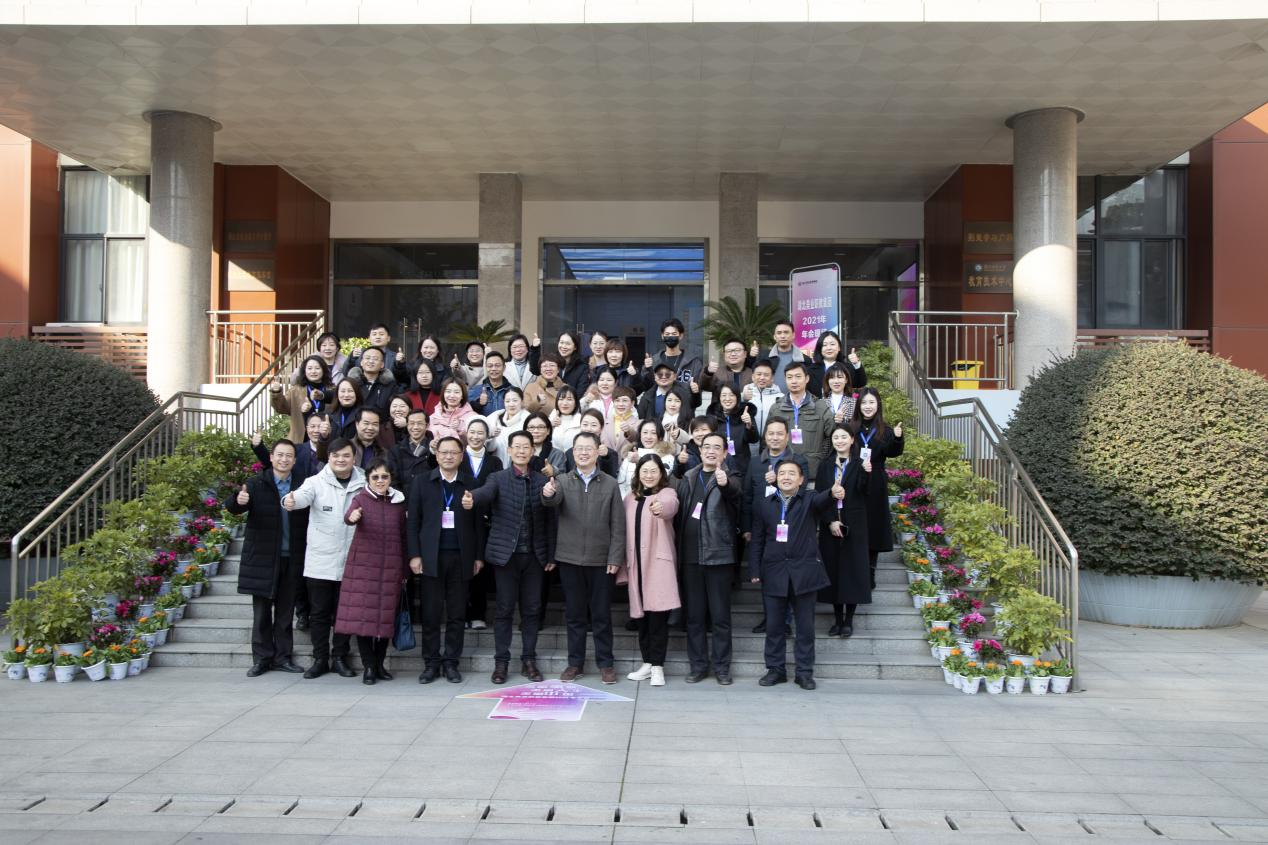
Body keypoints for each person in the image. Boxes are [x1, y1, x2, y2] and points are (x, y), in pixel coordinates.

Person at [465, 430, 557, 684]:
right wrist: (473, 498)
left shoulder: (542, 481)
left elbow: (551, 521)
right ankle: (501, 662)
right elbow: (485, 492)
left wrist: (551, 554)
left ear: (532, 451)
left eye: (526, 447)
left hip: (534, 557)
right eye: (516, 446)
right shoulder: (498, 478)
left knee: (532, 610)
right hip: (506, 556)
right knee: (504, 610)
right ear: (509, 449)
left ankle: (529, 660)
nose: (521, 451)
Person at [540, 431, 627, 684]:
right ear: (573, 452)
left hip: (601, 561)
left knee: (601, 615)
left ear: (597, 451)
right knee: (575, 615)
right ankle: (575, 663)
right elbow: (551, 501)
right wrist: (547, 493)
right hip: (570, 558)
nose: (583, 453)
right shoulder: (562, 480)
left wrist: (615, 557)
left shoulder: (610, 483)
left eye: (588, 448)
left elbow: (618, 525)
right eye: (579, 448)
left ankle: (606, 663)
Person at [749, 458, 835, 690]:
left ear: (801, 479)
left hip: (804, 573)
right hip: (774, 571)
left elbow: (824, 499)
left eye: (791, 473)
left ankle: (804, 672)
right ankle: (775, 670)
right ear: (775, 478)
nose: (786, 477)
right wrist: (755, 569)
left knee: (805, 628)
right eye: (782, 473)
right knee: (774, 626)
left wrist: (833, 493)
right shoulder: (764, 504)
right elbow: (757, 539)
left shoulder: (809, 499)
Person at [284, 438, 366, 679]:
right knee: (319, 613)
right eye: (335, 455)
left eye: (346, 455)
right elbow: (300, 497)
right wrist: (290, 500)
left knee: (345, 612)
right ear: (328, 457)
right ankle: (320, 658)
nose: (341, 460)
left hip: (352, 559)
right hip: (321, 560)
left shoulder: (364, 482)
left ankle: (340, 657)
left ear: (354, 458)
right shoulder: (315, 482)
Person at [227, 438, 310, 677]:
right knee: (262, 612)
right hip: (263, 559)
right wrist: (237, 501)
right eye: (280, 455)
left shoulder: (303, 485)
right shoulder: (256, 483)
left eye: (289, 456)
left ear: (295, 460)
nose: (284, 459)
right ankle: (262, 659)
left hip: (292, 557)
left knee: (285, 612)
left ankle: (283, 657)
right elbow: (234, 506)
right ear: (271, 457)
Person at [407, 437, 479, 684]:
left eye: (453, 453)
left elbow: (479, 524)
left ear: (461, 456)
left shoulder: (470, 483)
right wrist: (415, 554)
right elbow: (413, 522)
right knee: (431, 613)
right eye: (444, 452)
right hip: (431, 557)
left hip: (461, 556)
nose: (448, 456)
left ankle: (451, 662)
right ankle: (431, 663)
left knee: (457, 613)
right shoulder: (421, 482)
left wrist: (478, 556)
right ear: (436, 455)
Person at [334, 459, 407, 685]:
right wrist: (352, 517)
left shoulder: (399, 502)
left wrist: (405, 569)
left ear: (391, 479)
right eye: (375, 477)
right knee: (363, 619)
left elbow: (404, 536)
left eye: (384, 477)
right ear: (368, 480)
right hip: (363, 568)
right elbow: (349, 516)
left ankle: (379, 664)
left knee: (386, 618)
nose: (380, 481)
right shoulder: (361, 499)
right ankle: (369, 666)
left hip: (391, 567)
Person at [675, 432, 741, 685]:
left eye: (717, 448)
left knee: (720, 616)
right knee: (694, 616)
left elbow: (735, 494)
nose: (711, 451)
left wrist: (724, 484)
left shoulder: (730, 476)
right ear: (700, 451)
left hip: (718, 556)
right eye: (707, 447)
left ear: (724, 453)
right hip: (690, 557)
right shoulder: (689, 477)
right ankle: (698, 666)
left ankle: (722, 668)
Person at [741, 418, 809, 634]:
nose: (775, 437)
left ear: (787, 437)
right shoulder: (754, 462)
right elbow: (747, 497)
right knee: (768, 573)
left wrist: (776, 483)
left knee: (787, 575)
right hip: (763, 527)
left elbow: (802, 493)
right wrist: (747, 527)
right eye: (771, 433)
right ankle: (770, 617)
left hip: (791, 527)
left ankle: (785, 620)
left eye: (780, 433)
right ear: (765, 436)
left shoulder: (798, 461)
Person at [623, 454, 681, 687]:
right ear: (638, 474)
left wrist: (660, 508)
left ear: (661, 474)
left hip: (657, 566)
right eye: (644, 471)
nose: (648, 475)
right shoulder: (630, 498)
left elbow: (669, 507)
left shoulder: (666, 494)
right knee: (642, 619)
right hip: (636, 565)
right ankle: (647, 662)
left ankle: (658, 666)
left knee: (657, 619)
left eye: (653, 471)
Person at [816, 423, 872, 638]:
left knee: (852, 572)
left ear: (852, 440)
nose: (839, 441)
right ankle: (837, 620)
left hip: (855, 525)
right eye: (836, 438)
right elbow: (819, 497)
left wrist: (867, 473)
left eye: (843, 437)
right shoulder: (825, 465)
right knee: (834, 572)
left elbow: (865, 492)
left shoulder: (859, 464)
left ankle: (848, 620)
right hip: (831, 525)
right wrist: (830, 521)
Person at [850, 388, 904, 590]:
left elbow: (892, 452)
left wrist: (897, 438)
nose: (868, 406)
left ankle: (870, 571)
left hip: (876, 481)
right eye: (864, 403)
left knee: (873, 526)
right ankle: (856, 569)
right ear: (859, 405)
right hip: (854, 479)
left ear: (878, 405)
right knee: (855, 524)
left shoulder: (885, 429)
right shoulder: (851, 427)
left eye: (871, 402)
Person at [459, 419, 501, 632]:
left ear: (487, 436)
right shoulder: (458, 456)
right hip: (460, 518)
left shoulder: (494, 462)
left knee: (480, 567)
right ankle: (461, 613)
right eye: (472, 432)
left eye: (480, 433)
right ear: (466, 434)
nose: (476, 436)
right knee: (460, 566)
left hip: (485, 521)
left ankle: (477, 614)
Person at [769, 361, 831, 478]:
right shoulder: (776, 408)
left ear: (807, 379)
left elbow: (832, 436)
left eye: (798, 376)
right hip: (783, 474)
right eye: (789, 377)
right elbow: (767, 439)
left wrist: (822, 458)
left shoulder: (820, 407)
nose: (794, 381)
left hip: (813, 472)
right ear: (785, 379)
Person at [271, 355, 332, 443]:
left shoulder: (331, 389)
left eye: (317, 368)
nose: (313, 371)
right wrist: (276, 392)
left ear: (323, 370)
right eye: (309, 368)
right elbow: (281, 408)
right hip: (301, 440)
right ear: (304, 371)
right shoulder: (296, 390)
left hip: (326, 439)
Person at [708, 382, 758, 479]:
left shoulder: (745, 413)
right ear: (719, 398)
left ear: (737, 397)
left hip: (741, 466)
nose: (727, 399)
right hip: (718, 466)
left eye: (731, 395)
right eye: (724, 395)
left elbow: (754, 439)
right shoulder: (712, 416)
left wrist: (749, 425)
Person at [618, 419, 676, 498]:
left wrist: (639, 461)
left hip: (655, 502)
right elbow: (621, 484)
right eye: (645, 432)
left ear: (660, 437)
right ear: (640, 435)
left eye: (653, 433)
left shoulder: (667, 457)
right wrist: (627, 501)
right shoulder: (631, 455)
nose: (648, 437)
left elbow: (662, 477)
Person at [640, 317, 703, 388]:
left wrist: (695, 389)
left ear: (681, 336)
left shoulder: (694, 362)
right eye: (667, 334)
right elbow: (646, 386)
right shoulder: (654, 361)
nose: (670, 336)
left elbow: (700, 386)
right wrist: (647, 369)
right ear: (662, 336)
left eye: (674, 334)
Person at [741, 359, 783, 457]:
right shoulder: (744, 396)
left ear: (772, 378)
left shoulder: (781, 398)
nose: (762, 378)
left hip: (772, 446)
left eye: (766, 375)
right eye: (759, 374)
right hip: (748, 446)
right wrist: (742, 398)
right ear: (753, 376)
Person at [808, 330, 867, 398]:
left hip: (844, 404)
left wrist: (856, 363)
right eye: (825, 345)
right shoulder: (810, 370)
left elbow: (860, 383)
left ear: (839, 347)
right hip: (818, 404)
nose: (829, 348)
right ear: (820, 349)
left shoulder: (847, 367)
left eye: (832, 344)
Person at [637, 362, 695, 430]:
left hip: (679, 434)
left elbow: (689, 415)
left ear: (675, 376)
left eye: (667, 374)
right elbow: (641, 419)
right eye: (660, 375)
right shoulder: (646, 397)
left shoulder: (684, 395)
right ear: (655, 377)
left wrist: (695, 393)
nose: (663, 377)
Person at [563, 409, 619, 477]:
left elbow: (611, 479)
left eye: (594, 425)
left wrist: (606, 457)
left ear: (601, 428)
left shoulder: (610, 454)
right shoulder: (569, 453)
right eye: (585, 424)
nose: (589, 429)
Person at [389, 408, 433, 493]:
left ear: (427, 425)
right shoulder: (396, 450)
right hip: (403, 498)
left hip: (429, 496)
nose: (415, 427)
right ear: (407, 425)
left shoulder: (435, 449)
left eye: (420, 423)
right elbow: (393, 479)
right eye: (412, 423)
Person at [354, 346, 402, 421]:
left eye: (375, 359)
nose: (371, 361)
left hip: (381, 425)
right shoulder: (353, 384)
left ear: (382, 364)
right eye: (367, 358)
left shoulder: (390, 386)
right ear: (361, 362)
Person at [759, 319, 807, 394]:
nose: (782, 336)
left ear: (793, 335)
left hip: (794, 399)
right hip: (768, 399)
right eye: (779, 333)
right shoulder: (764, 357)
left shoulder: (804, 360)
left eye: (786, 332)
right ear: (774, 336)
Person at [486, 386, 528, 463]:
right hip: (497, 464)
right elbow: (489, 448)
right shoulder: (495, 418)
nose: (511, 404)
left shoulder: (527, 419)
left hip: (519, 464)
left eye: (515, 400)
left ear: (522, 401)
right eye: (507, 401)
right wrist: (492, 436)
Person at [430, 377, 479, 443]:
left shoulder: (472, 418)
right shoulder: (434, 416)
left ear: (462, 395)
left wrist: (460, 427)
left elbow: (476, 441)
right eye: (448, 391)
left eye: (456, 392)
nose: (452, 395)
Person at [524, 412, 566, 476]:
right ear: (525, 430)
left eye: (541, 427)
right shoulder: (518, 451)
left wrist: (554, 472)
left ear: (548, 431)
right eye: (531, 427)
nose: (536, 431)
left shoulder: (557, 454)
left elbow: (564, 479)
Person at [470, 350, 510, 415]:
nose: (493, 369)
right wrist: (478, 404)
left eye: (497, 365)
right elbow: (466, 413)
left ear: (504, 367)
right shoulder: (475, 391)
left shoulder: (512, 391)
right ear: (486, 368)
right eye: (490, 366)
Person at [822, 363, 859, 428]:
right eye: (832, 378)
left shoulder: (854, 402)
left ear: (846, 380)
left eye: (840, 377)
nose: (836, 381)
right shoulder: (821, 402)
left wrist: (843, 420)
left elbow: (857, 424)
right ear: (827, 381)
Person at [351, 407, 387, 472]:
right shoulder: (346, 447)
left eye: (375, 424)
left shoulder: (384, 453)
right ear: (357, 424)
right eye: (366, 423)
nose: (370, 428)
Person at [604, 386, 640, 452]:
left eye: (625, 400)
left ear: (632, 403)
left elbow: (637, 439)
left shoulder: (639, 423)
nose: (620, 404)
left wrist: (629, 431)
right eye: (617, 400)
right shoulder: (605, 422)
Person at [555, 330, 591, 395]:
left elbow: (580, 392)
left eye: (568, 344)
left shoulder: (582, 367)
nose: (563, 346)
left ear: (575, 347)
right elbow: (537, 371)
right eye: (561, 342)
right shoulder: (553, 362)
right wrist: (536, 349)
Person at [550, 386, 582, 452]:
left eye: (569, 399)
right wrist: (550, 426)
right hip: (556, 457)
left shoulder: (582, 421)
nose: (565, 403)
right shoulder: (552, 418)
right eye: (561, 399)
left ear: (575, 403)